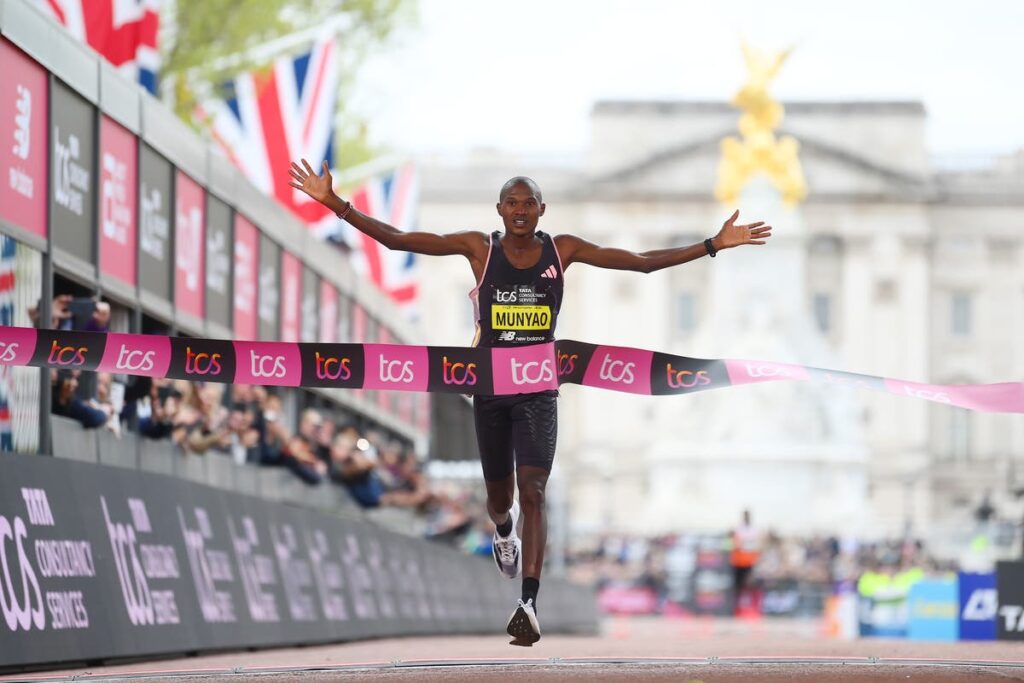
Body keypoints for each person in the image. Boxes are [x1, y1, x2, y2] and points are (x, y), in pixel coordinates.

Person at [289, 158, 772, 645]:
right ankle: (504, 532)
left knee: (534, 491)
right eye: (512, 203)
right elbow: (399, 240)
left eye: (529, 203)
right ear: (500, 209)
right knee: (501, 500)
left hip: (539, 389)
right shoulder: (479, 248)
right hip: (489, 389)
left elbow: (641, 263)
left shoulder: (562, 251)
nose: (520, 211)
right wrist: (336, 205)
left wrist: (712, 245)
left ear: (543, 209)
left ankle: (528, 602)